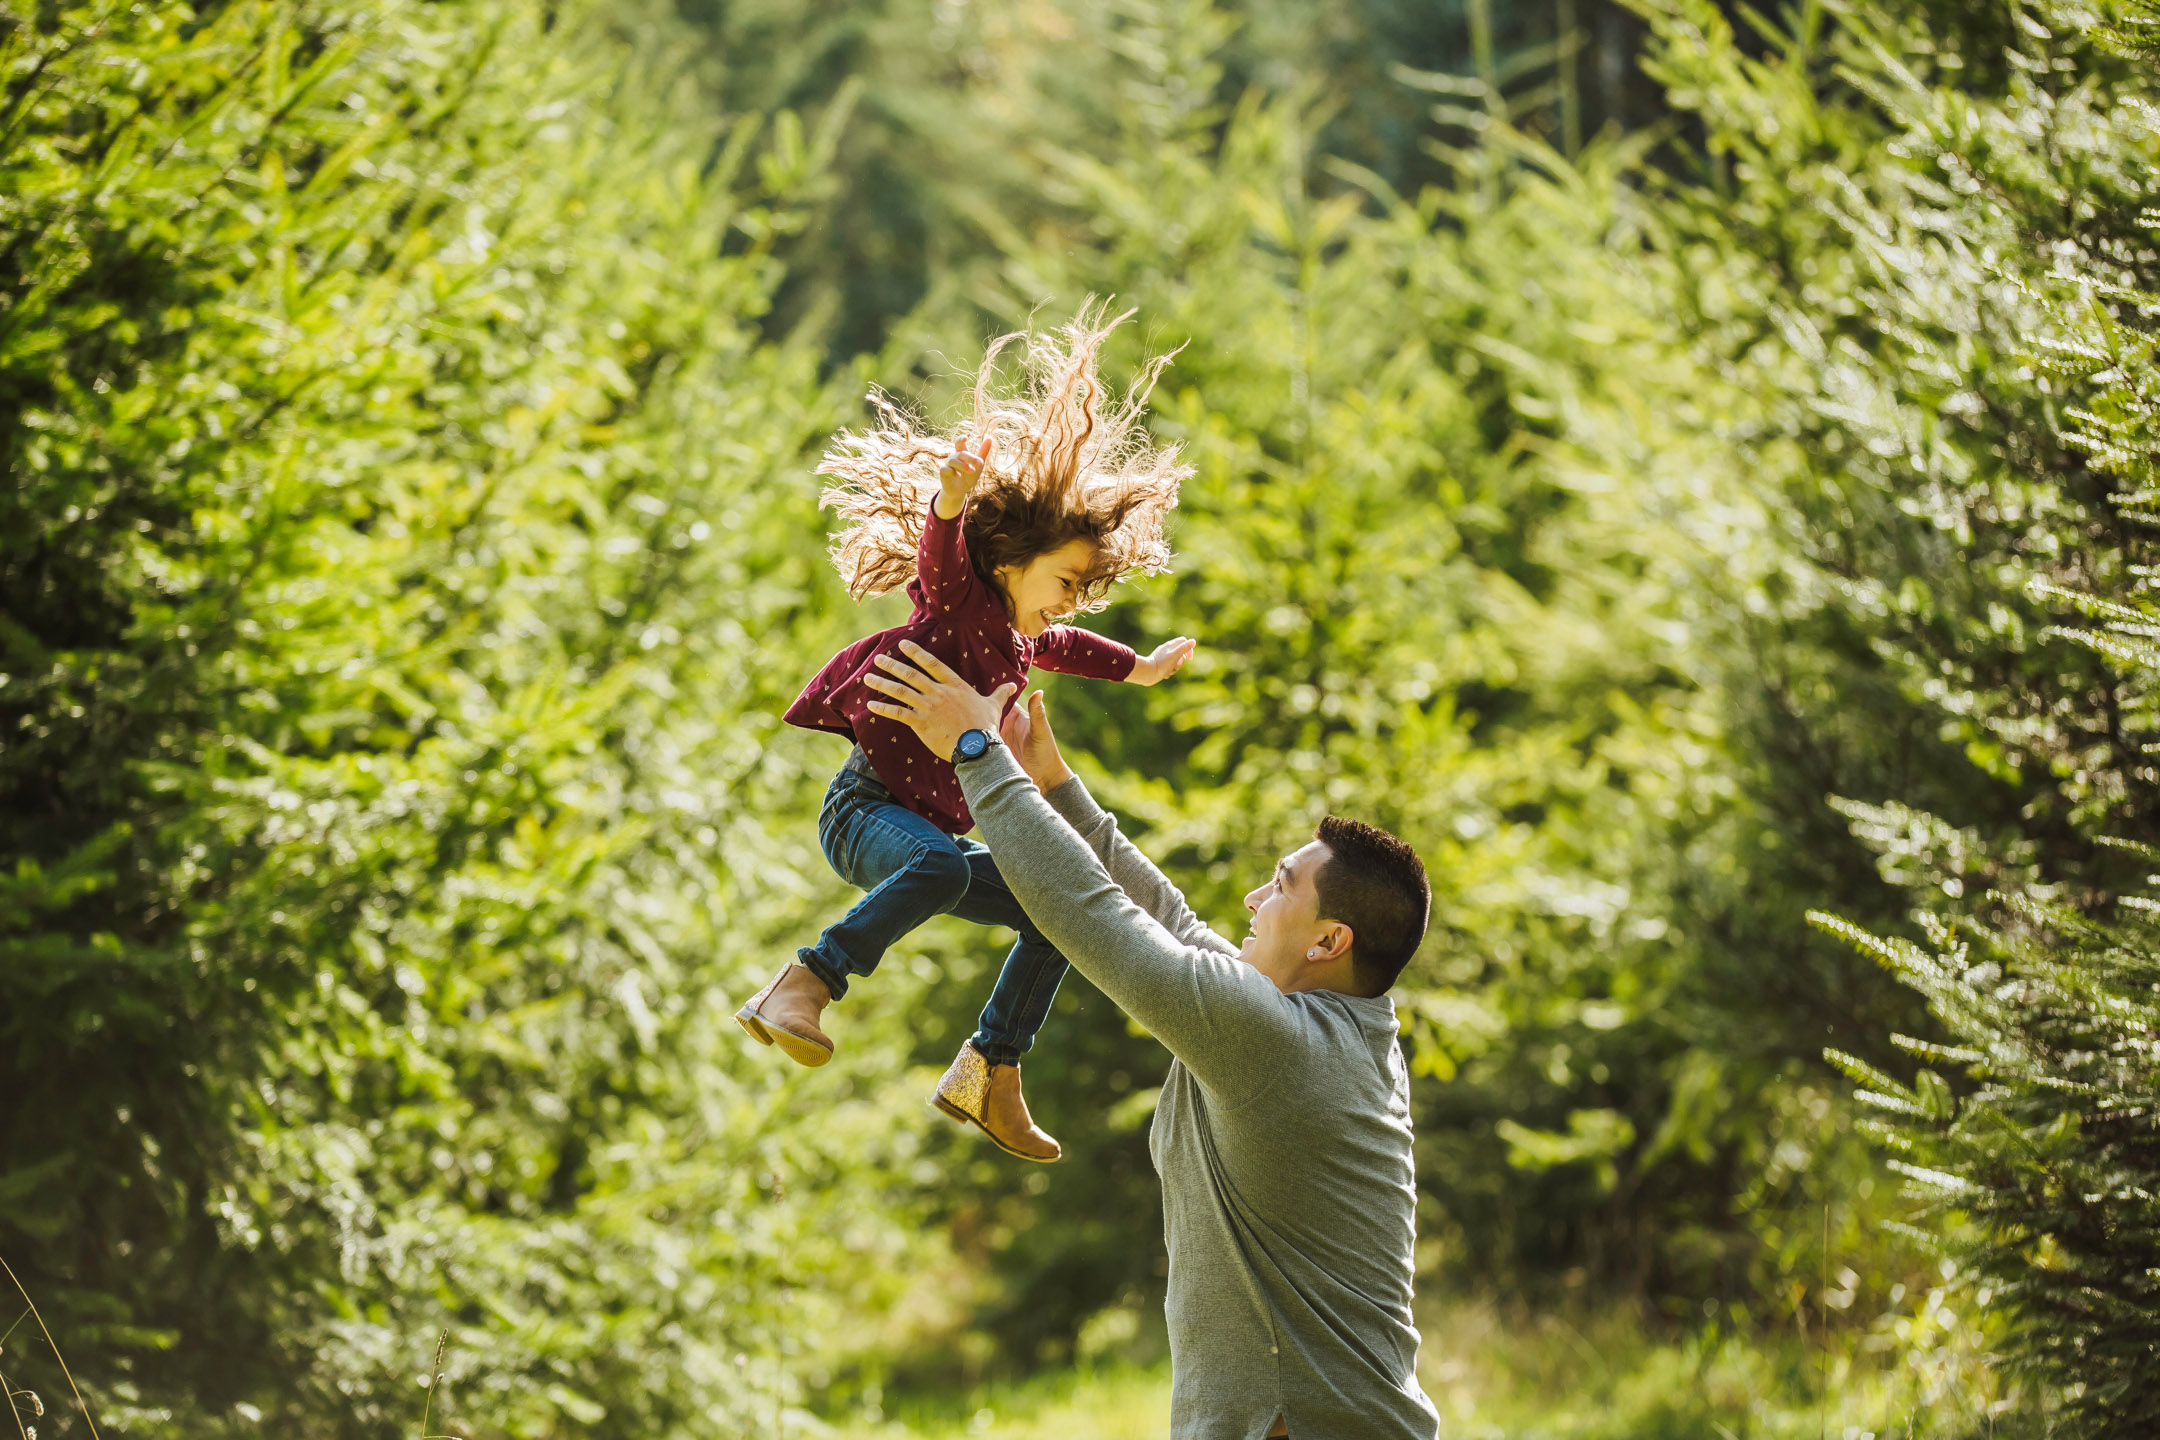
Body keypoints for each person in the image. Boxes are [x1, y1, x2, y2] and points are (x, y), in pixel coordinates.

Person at [861, 639, 1444, 1440]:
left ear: (1327, 943)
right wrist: (1054, 788)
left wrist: (976, 752)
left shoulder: (1273, 1040)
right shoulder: (1328, 1029)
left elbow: (1093, 916)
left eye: (1277, 887)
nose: (1250, 898)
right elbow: (1168, 918)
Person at [735, 304, 1197, 1163]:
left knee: (1057, 905)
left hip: (923, 832)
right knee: (941, 863)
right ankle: (806, 981)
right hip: (867, 811)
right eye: (1062, 580)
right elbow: (940, 557)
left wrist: (1137, 667)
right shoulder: (959, 603)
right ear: (1010, 560)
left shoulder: (1018, 641)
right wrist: (950, 500)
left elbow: (1068, 646)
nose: (1067, 602)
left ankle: (990, 1068)